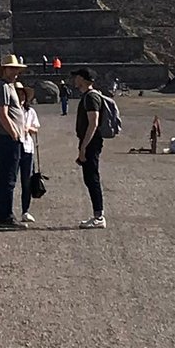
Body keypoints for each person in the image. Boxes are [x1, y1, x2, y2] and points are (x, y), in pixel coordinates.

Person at [0, 54, 27, 228]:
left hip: (9, 137)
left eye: (17, 68)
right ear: (4, 69)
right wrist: (14, 134)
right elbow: (2, 114)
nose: (16, 71)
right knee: (8, 178)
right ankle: (5, 217)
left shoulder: (8, 86)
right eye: (12, 68)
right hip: (7, 138)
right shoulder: (3, 87)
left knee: (5, 177)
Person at [71, 68, 107, 228]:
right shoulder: (88, 96)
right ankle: (97, 215)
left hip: (91, 143)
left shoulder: (91, 97)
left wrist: (83, 147)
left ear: (84, 79)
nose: (74, 79)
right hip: (89, 142)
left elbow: (93, 123)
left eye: (77, 77)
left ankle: (99, 216)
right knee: (89, 178)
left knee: (92, 178)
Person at [17, 84, 41, 226]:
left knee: (26, 181)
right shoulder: (12, 110)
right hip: (14, 146)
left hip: (27, 147)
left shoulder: (30, 111)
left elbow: (36, 128)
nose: (21, 97)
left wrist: (28, 128)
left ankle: (25, 211)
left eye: (23, 94)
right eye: (18, 94)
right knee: (11, 181)